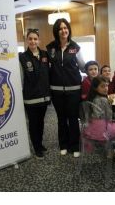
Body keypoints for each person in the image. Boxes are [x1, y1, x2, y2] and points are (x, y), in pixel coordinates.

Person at [46, 18, 85, 158]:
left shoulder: (75, 47)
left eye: (65, 28)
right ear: (56, 31)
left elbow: (82, 66)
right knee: (61, 119)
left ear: (68, 29)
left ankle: (75, 145)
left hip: (73, 89)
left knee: (73, 119)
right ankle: (63, 144)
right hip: (56, 90)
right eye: (60, 28)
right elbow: (46, 67)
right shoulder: (50, 48)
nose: (64, 30)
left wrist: (95, 71)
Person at [19, 29, 50, 159]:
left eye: (35, 39)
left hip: (43, 96)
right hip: (30, 98)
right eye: (30, 39)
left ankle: (40, 143)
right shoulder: (22, 57)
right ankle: (36, 147)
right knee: (33, 123)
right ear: (27, 40)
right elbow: (20, 78)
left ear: (39, 40)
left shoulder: (44, 54)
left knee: (41, 122)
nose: (33, 41)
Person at [84, 76, 115, 159]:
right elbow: (108, 117)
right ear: (95, 88)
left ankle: (110, 151)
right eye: (102, 86)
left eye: (107, 85)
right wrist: (109, 104)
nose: (106, 88)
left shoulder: (92, 98)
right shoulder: (104, 100)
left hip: (91, 127)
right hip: (102, 128)